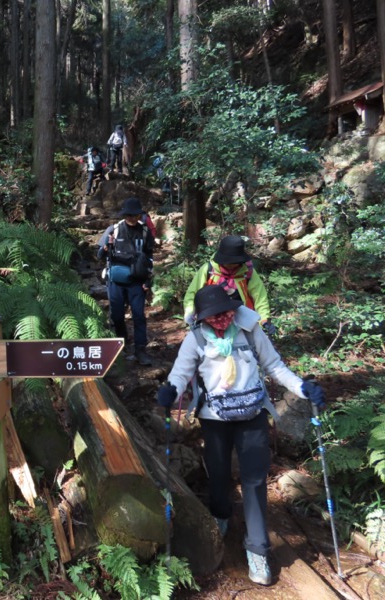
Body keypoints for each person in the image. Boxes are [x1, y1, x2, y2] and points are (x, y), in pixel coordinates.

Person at [156, 285, 326, 586]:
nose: (222, 319)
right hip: (214, 418)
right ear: (202, 318)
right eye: (214, 316)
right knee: (218, 472)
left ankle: (258, 548)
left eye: (225, 313)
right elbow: (181, 373)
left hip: (252, 415)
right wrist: (171, 390)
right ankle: (220, 515)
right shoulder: (194, 338)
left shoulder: (249, 330)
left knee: (255, 479)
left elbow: (274, 365)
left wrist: (302, 388)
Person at [97, 197, 155, 365]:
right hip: (116, 280)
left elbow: (149, 257)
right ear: (124, 215)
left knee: (139, 316)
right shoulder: (113, 230)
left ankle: (140, 349)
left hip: (137, 280)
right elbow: (99, 255)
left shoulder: (144, 232)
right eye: (129, 215)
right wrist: (105, 247)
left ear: (139, 215)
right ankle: (120, 345)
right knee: (117, 316)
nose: (131, 218)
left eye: (135, 215)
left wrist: (148, 281)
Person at [183, 235, 275, 336]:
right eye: (227, 262)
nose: (230, 265)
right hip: (212, 320)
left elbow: (260, 298)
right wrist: (190, 315)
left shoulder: (247, 272)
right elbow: (192, 294)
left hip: (242, 322)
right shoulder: (208, 270)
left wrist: (264, 319)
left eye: (234, 262)